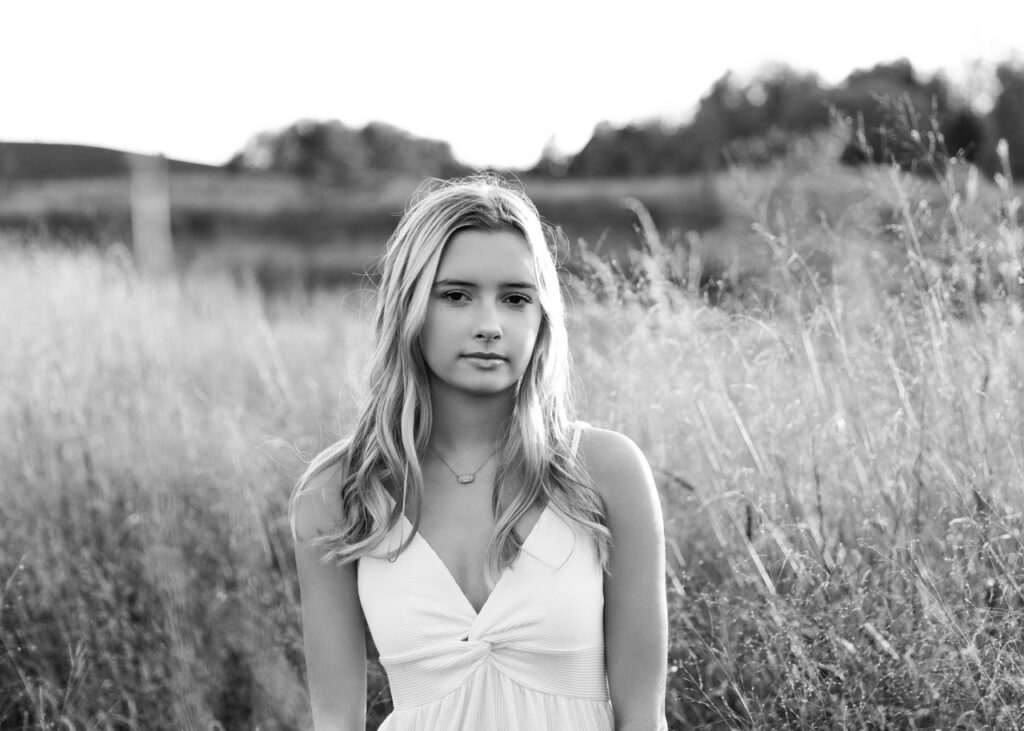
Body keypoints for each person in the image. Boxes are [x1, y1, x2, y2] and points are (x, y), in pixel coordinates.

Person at [290, 175, 668, 730]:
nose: (490, 325)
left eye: (516, 298)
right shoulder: (339, 490)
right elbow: (335, 721)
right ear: (410, 307)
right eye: (456, 295)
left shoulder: (606, 472)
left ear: (543, 317)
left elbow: (643, 719)